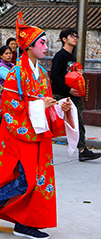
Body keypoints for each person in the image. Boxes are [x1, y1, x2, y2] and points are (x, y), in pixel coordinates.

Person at [0, 12, 74, 239]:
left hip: (36, 133)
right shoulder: (17, 73)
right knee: (28, 179)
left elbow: (46, 101)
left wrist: (60, 107)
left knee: (38, 180)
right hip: (18, 134)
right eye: (41, 42)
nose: (45, 46)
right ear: (29, 46)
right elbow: (11, 106)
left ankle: (24, 223)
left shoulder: (41, 73)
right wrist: (41, 104)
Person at [50, 29, 100, 161]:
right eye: (72, 36)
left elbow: (70, 75)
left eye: (76, 36)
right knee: (52, 122)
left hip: (73, 94)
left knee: (78, 120)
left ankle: (82, 150)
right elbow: (54, 75)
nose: (75, 38)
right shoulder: (60, 56)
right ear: (64, 39)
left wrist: (78, 74)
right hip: (60, 94)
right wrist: (68, 89)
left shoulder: (72, 57)